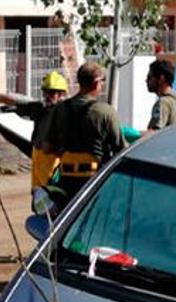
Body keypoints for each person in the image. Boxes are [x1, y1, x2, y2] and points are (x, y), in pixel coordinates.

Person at [42, 62, 126, 207]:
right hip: (94, 181)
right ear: (96, 83)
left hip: (65, 182)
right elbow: (121, 148)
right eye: (102, 81)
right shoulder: (105, 111)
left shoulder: (60, 109)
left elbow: (47, 147)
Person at [0, 70, 68, 189]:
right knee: (38, 197)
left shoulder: (67, 113)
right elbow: (12, 100)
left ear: (62, 94)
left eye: (51, 93)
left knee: (55, 196)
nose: (47, 96)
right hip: (38, 157)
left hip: (56, 161)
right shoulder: (38, 108)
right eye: (45, 92)